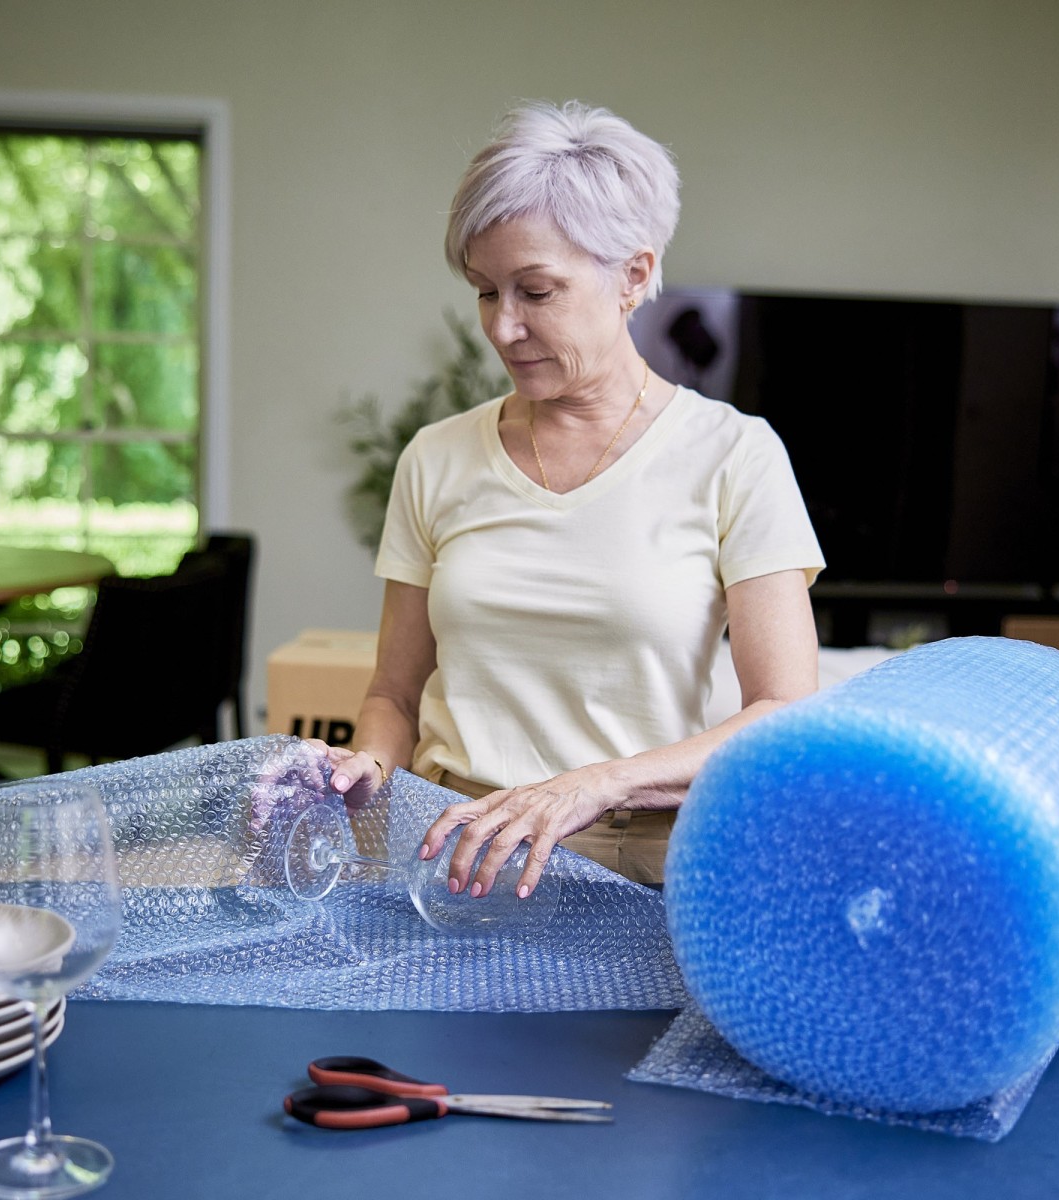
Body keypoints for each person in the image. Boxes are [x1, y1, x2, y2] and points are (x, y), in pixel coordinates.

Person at [315, 100, 824, 899]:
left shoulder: (735, 456)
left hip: (639, 867)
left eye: (536, 291)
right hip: (447, 859)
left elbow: (784, 715)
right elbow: (392, 695)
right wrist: (365, 768)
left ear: (633, 274)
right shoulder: (436, 458)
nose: (503, 328)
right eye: (485, 292)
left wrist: (594, 786)